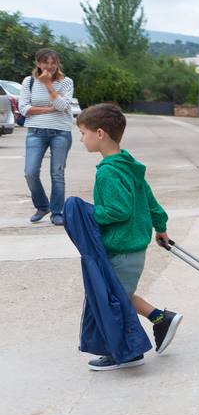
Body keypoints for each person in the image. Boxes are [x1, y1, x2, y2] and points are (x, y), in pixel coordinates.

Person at [75, 103, 183, 370]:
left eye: (83, 133)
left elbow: (117, 210)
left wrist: (90, 214)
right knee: (120, 294)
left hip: (121, 247)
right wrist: (161, 226)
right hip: (132, 246)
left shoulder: (109, 171)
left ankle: (125, 352)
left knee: (113, 302)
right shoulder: (128, 164)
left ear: (100, 133)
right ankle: (161, 318)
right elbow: (149, 199)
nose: (81, 139)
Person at [20, 48, 76, 226]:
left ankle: (57, 211)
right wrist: (49, 108)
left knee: (57, 174)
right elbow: (24, 109)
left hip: (61, 132)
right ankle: (42, 206)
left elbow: (61, 106)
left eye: (53, 63)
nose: (50, 66)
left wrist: (48, 85)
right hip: (35, 132)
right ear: (38, 63)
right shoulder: (28, 82)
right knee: (30, 172)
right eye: (45, 62)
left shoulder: (66, 82)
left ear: (57, 64)